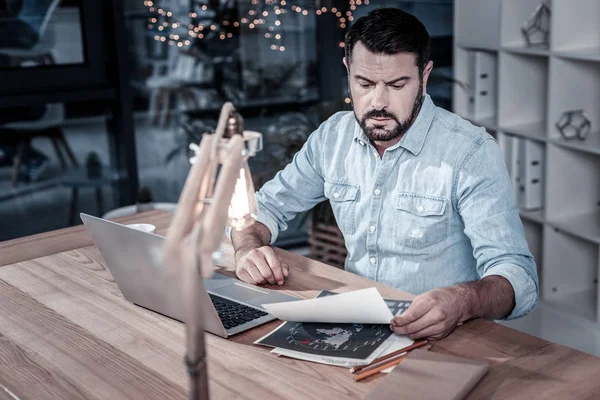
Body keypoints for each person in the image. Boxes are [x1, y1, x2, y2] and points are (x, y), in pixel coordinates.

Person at [230, 8, 538, 341]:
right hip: (355, 329)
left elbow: (517, 276)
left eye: (396, 84)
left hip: (443, 339)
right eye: (364, 83)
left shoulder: (470, 152)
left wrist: (463, 301)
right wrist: (247, 249)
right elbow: (261, 211)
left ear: (425, 75)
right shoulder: (332, 138)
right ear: (348, 71)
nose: (378, 102)